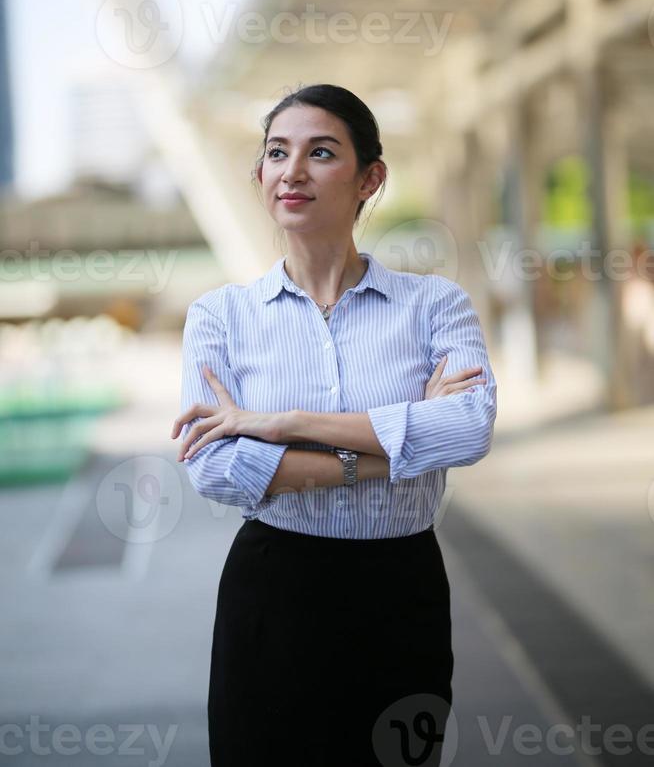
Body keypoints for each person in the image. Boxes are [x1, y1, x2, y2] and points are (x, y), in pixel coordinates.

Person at [171, 83, 497, 767]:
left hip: (400, 588)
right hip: (273, 589)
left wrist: (278, 423)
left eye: (321, 152)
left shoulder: (435, 306)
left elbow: (466, 430)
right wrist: (389, 451)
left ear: (369, 177)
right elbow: (215, 466)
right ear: (259, 175)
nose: (292, 171)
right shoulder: (220, 318)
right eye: (276, 153)